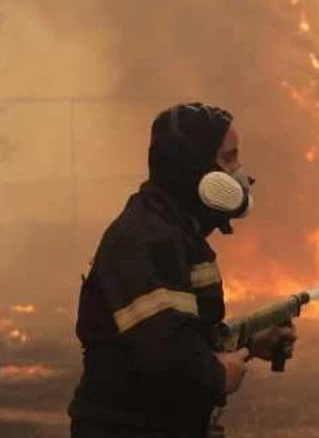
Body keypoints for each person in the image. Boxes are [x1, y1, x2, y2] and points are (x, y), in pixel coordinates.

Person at [68, 102, 298, 438]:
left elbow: (185, 334)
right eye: (229, 158)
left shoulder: (176, 231)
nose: (242, 173)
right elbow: (164, 349)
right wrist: (218, 376)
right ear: (195, 170)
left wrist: (248, 342)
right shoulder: (148, 239)